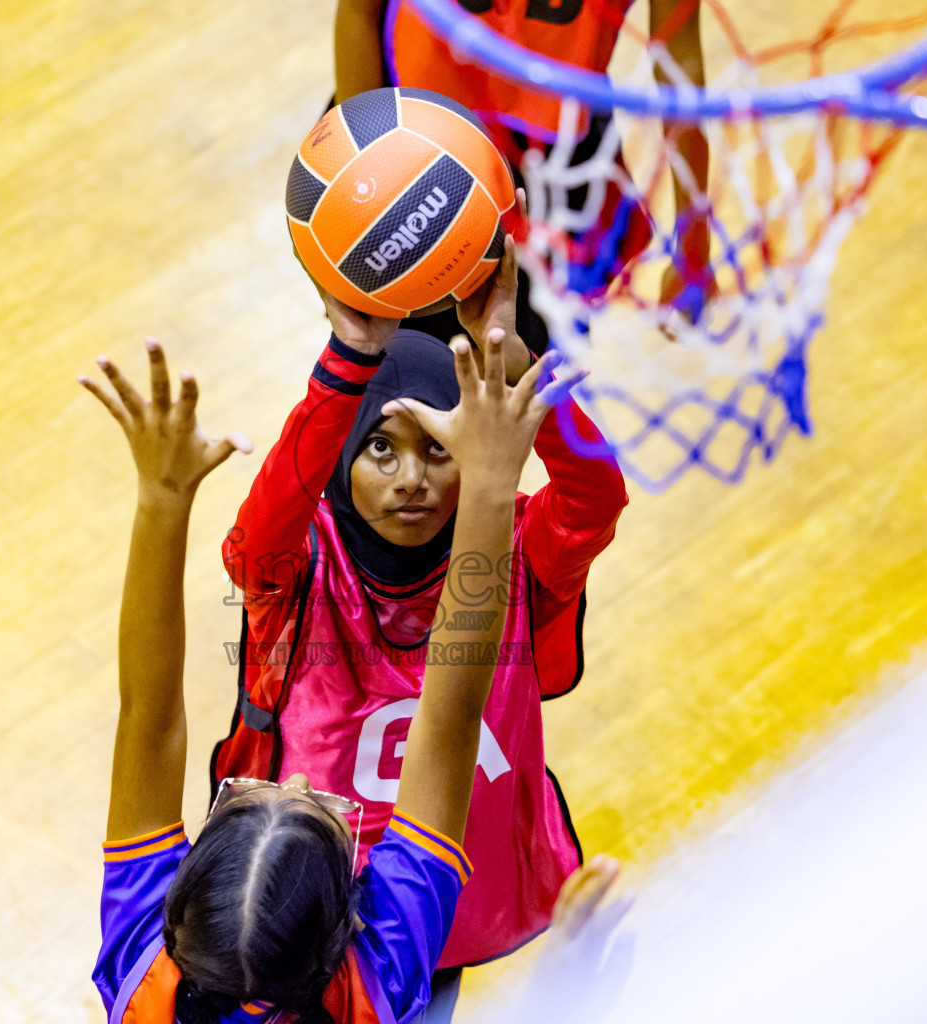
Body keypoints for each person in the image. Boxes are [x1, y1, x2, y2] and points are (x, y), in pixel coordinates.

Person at [81, 333, 583, 1023]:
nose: (291, 783)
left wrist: (161, 503)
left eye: (259, 799)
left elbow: (148, 715)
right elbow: (450, 721)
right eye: (309, 811)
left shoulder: (367, 973)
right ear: (352, 926)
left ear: (182, 908)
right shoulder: (378, 976)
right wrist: (493, 486)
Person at [211, 231, 628, 1017]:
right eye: (379, 448)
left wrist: (511, 366)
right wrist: (348, 361)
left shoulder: (513, 554)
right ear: (342, 459)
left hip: (438, 899)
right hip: (298, 902)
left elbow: (593, 500)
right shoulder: (297, 566)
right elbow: (259, 529)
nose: (411, 478)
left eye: (437, 448)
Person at [334, 0, 713, 342]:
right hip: (400, 128)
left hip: (550, 164)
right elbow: (359, 12)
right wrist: (368, 160)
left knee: (527, 365)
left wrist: (694, 245)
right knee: (395, 357)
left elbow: (679, 70)